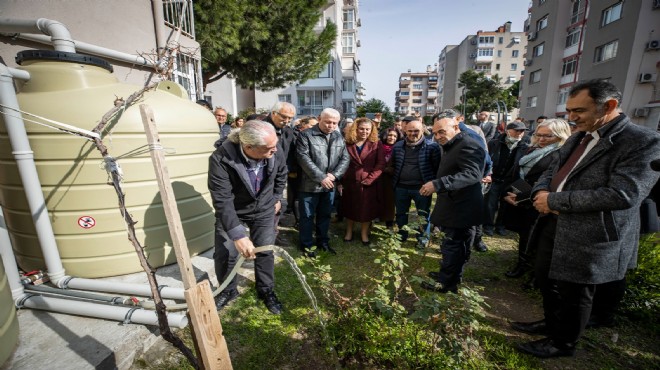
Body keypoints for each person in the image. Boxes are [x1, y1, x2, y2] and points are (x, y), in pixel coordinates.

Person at [515, 79, 660, 358]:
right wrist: (542, 191)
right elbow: (552, 170)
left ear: (609, 106)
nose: (571, 118)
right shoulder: (579, 135)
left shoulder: (642, 141)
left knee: (574, 291)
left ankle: (562, 343)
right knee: (546, 280)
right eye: (568, 111)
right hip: (552, 222)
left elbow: (623, 194)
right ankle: (552, 325)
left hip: (590, 233)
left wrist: (554, 200)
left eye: (579, 110)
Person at [208, 120, 288, 314]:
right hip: (233, 211)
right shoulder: (221, 159)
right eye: (269, 148)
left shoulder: (273, 149)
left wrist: (277, 197)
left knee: (264, 251)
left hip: (263, 210)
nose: (275, 150)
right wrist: (238, 235)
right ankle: (227, 291)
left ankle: (265, 290)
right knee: (226, 252)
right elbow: (222, 199)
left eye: (275, 145)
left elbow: (281, 175)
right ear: (249, 147)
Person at [420, 109, 486, 293]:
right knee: (453, 245)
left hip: (461, 207)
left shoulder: (468, 144)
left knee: (453, 246)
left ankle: (447, 284)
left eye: (442, 131)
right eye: (434, 133)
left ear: (456, 126)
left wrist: (438, 184)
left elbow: (472, 174)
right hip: (454, 203)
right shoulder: (453, 144)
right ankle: (449, 275)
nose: (438, 136)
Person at [501, 119, 571, 278]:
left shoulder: (561, 155)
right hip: (519, 200)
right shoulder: (530, 150)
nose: (542, 139)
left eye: (548, 136)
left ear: (560, 136)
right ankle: (522, 265)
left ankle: (533, 272)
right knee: (524, 235)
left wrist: (523, 197)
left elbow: (553, 183)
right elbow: (513, 173)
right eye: (539, 135)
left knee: (538, 238)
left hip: (540, 204)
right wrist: (508, 193)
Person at [296, 108, 350, 257]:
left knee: (325, 215)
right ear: (320, 119)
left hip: (329, 185)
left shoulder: (339, 137)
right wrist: (322, 177)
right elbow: (303, 158)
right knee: (307, 217)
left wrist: (334, 175)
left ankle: (323, 242)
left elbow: (345, 159)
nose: (330, 125)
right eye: (327, 122)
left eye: (334, 123)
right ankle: (307, 246)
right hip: (309, 185)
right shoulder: (305, 135)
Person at [390, 116, 441, 247]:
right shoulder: (397, 146)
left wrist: (431, 184)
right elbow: (394, 165)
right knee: (401, 214)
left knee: (423, 215)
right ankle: (402, 235)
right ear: (405, 130)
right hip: (401, 187)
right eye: (410, 131)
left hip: (422, 187)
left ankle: (422, 239)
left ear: (423, 130)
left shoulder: (432, 147)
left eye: (416, 131)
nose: (413, 133)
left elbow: (436, 167)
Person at [341, 118, 386, 245]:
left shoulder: (376, 143)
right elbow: (341, 162)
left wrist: (370, 179)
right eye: (361, 128)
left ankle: (364, 233)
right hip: (350, 181)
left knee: (367, 209)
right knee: (349, 207)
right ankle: (349, 231)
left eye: (367, 129)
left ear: (371, 130)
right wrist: (341, 180)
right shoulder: (347, 143)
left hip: (369, 182)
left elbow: (381, 164)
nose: (364, 131)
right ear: (356, 128)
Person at [483, 121, 528, 236]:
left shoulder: (524, 147)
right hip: (494, 178)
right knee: (490, 204)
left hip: (511, 180)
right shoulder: (494, 143)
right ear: (508, 130)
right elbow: (487, 160)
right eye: (517, 130)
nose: (519, 133)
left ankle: (500, 225)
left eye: (522, 131)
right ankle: (488, 225)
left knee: (505, 205)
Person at [286, 116, 318, 225]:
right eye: (312, 125)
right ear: (303, 125)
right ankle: (299, 221)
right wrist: (291, 169)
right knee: (297, 196)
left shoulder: (313, 135)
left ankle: (308, 219)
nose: (315, 127)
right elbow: (289, 153)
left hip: (309, 171)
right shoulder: (292, 135)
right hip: (296, 170)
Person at [380, 128, 402, 228]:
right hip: (378, 178)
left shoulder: (400, 148)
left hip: (392, 178)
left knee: (390, 201)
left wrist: (388, 169)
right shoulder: (378, 146)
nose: (392, 138)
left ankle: (389, 222)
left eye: (394, 136)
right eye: (390, 135)